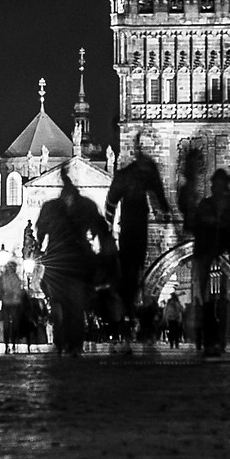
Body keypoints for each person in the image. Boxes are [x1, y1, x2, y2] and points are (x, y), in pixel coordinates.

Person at [34, 169, 112, 356]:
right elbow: (101, 229)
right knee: (75, 304)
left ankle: (64, 340)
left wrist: (40, 248)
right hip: (77, 261)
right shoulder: (86, 205)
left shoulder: (51, 206)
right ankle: (73, 343)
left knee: (59, 302)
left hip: (59, 259)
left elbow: (40, 231)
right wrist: (103, 254)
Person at [105, 134, 171, 350]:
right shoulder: (143, 173)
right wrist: (166, 212)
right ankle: (130, 311)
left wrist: (108, 227)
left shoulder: (127, 174)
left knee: (132, 271)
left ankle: (129, 313)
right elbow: (159, 194)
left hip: (130, 228)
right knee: (134, 271)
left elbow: (110, 203)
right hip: (136, 227)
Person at [188, 167, 230, 357]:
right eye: (216, 184)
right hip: (206, 252)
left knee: (223, 300)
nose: (218, 187)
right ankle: (210, 340)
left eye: (221, 184)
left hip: (223, 253)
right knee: (207, 300)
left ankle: (221, 340)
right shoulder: (206, 204)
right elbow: (194, 225)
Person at [0, 258, 26, 354]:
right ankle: (10, 343)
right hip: (11, 303)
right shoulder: (13, 278)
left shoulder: (7, 278)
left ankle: (11, 343)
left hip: (11, 303)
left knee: (11, 324)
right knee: (10, 324)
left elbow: (2, 290)